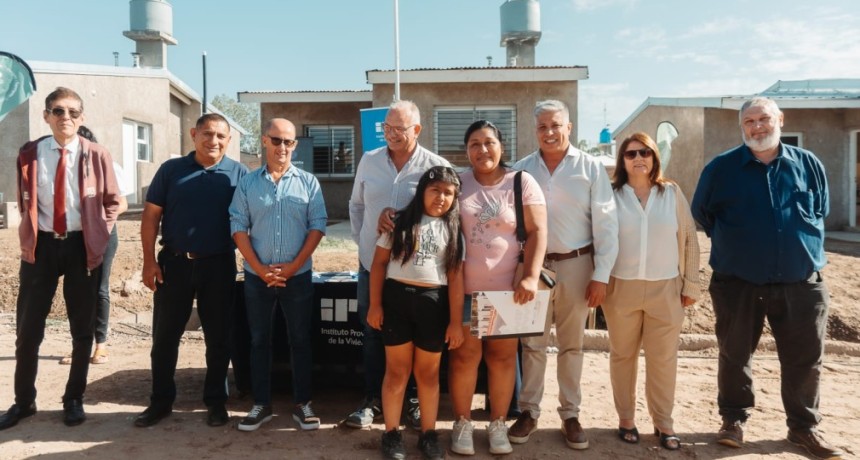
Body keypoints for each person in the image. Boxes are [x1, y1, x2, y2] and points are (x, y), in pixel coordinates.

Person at [692, 97, 844, 459]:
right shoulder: (721, 169)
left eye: (764, 119)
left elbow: (820, 208)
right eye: (749, 121)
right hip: (738, 282)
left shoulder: (809, 165)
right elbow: (702, 212)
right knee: (734, 354)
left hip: (801, 281)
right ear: (741, 126)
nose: (757, 127)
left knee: (805, 359)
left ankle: (803, 429)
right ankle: (733, 420)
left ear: (780, 120)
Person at [0, 87, 120, 430]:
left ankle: (73, 398)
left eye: (72, 112)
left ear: (81, 118)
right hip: (41, 249)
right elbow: (25, 201)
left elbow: (113, 201)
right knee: (28, 329)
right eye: (57, 111)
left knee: (82, 330)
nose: (65, 117)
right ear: (46, 115)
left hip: (82, 247)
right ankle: (24, 402)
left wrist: (98, 231)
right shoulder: (29, 153)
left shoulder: (96, 154)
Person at [509, 99, 618, 450]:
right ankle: (528, 411)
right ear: (535, 130)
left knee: (573, 344)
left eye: (556, 125)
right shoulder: (522, 170)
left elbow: (605, 223)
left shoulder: (590, 168)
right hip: (534, 268)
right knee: (532, 344)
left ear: (569, 127)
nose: (549, 132)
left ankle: (570, 414)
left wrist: (601, 274)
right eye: (542, 126)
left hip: (577, 264)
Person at [135, 113, 248, 428]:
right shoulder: (172, 170)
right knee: (165, 338)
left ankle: (215, 402)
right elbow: (150, 216)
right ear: (193, 134)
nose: (213, 141)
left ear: (229, 140)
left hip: (219, 264)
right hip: (174, 264)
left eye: (221, 136)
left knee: (218, 338)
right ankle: (160, 402)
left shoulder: (239, 174)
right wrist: (149, 260)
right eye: (207, 134)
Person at [347, 100, 450, 430]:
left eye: (399, 129)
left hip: (417, 275)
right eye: (386, 129)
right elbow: (356, 206)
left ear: (417, 130)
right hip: (372, 265)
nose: (390, 135)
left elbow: (445, 215)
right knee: (373, 330)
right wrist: (366, 243)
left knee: (421, 339)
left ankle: (415, 402)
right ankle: (372, 400)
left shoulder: (435, 166)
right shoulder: (370, 160)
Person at [449, 120, 547, 456]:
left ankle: (498, 423)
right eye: (474, 144)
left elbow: (537, 231)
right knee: (464, 358)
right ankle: (462, 423)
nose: (482, 150)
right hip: (463, 289)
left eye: (489, 142)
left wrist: (531, 276)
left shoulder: (521, 182)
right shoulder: (457, 183)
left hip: (507, 291)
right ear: (466, 151)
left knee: (503, 359)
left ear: (501, 147)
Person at [228, 118, 327, 432]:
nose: (282, 147)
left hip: (297, 277)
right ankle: (261, 404)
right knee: (259, 341)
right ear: (264, 141)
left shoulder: (309, 182)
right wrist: (259, 269)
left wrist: (294, 265)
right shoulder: (247, 183)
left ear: (294, 145)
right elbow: (238, 226)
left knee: (300, 340)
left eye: (288, 141)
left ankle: (303, 403)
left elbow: (318, 225)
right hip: (258, 278)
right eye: (276, 140)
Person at [602, 132, 700, 450]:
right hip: (622, 289)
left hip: (666, 289)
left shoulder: (671, 193)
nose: (638, 158)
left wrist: (690, 284)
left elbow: (689, 239)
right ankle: (626, 420)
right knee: (623, 357)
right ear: (622, 160)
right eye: (631, 154)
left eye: (645, 152)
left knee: (663, 360)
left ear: (655, 156)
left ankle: (664, 423)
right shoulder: (612, 195)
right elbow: (600, 240)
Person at [367, 165, 465, 460]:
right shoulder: (398, 221)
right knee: (396, 372)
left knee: (428, 374)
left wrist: (455, 322)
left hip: (433, 305)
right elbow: (379, 265)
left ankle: (428, 434)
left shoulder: (454, 229)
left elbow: (456, 278)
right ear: (422, 190)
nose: (441, 197)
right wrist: (375, 305)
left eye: (449, 193)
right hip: (397, 301)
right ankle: (392, 433)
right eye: (435, 190)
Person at [58, 126, 131, 366]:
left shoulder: (106, 163)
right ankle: (79, 346)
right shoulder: (63, 167)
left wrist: (100, 221)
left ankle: (101, 345)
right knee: (76, 290)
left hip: (103, 235)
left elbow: (122, 204)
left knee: (99, 288)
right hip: (73, 236)